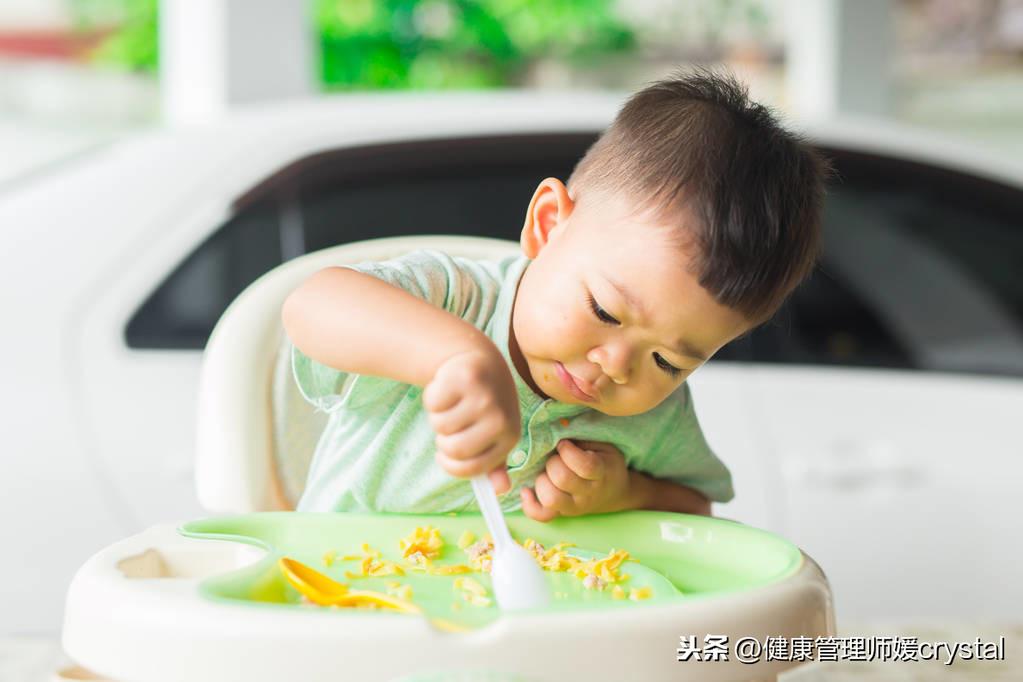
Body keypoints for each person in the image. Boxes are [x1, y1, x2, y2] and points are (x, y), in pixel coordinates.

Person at [281, 69, 830, 521]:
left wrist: (627, 494)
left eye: (668, 362)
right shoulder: (455, 299)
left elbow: (695, 509)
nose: (616, 365)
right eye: (605, 311)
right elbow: (313, 304)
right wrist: (454, 356)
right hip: (346, 606)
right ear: (547, 224)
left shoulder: (655, 417)